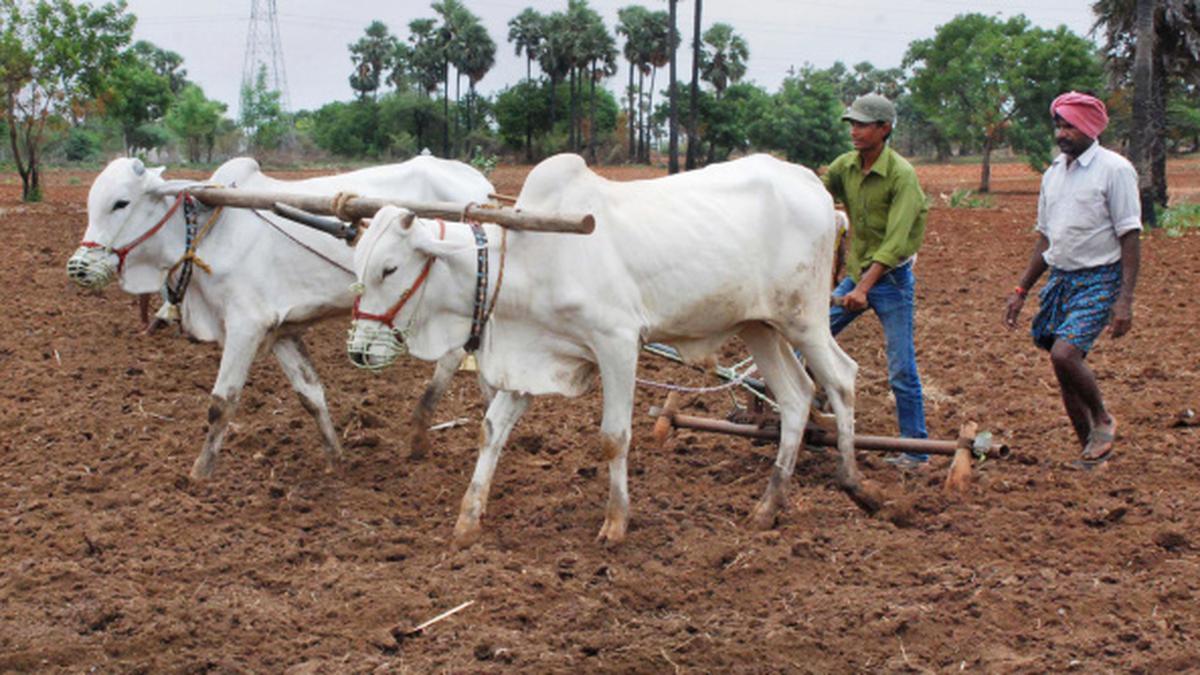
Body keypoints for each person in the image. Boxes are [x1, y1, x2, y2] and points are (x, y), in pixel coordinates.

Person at [1004, 91, 1141, 470]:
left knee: (1066, 354)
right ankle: (1090, 453)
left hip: (1101, 277)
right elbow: (1045, 238)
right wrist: (1022, 290)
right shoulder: (1053, 173)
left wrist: (1124, 300)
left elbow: (1130, 235)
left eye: (1071, 126)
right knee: (1063, 367)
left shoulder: (1114, 170)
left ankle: (1102, 418)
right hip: (1062, 278)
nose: (1063, 133)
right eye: (1059, 125)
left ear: (1090, 128)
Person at [820, 93, 930, 468]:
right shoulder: (844, 167)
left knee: (901, 367)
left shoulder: (902, 177)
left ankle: (916, 451)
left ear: (884, 129)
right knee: (807, 342)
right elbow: (815, 196)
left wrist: (863, 288)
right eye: (852, 123)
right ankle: (812, 418)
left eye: (863, 124)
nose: (855, 131)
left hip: (891, 281)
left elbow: (897, 242)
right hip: (854, 276)